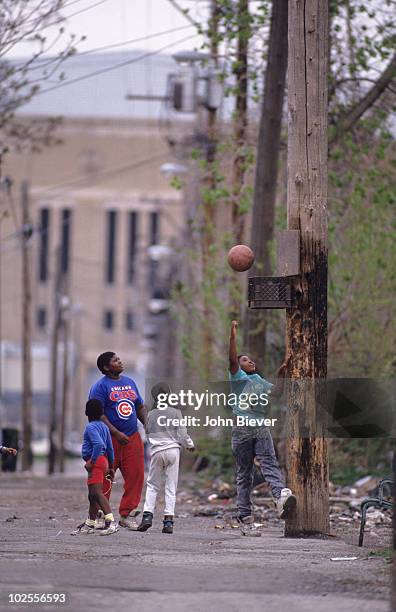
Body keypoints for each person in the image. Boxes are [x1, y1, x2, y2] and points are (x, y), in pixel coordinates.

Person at [228, 320, 296, 526]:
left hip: (259, 427)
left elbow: (276, 392)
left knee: (268, 464)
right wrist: (232, 335)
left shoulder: (258, 380)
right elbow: (231, 358)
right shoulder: (237, 377)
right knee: (245, 471)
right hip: (242, 428)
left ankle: (281, 497)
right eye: (245, 360)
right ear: (238, 366)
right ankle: (244, 512)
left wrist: (282, 372)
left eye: (250, 360)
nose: (250, 362)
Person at [89, 352, 147, 530]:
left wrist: (147, 424)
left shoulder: (129, 382)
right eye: (115, 360)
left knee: (136, 475)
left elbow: (139, 406)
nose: (119, 361)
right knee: (105, 475)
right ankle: (101, 515)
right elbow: (98, 413)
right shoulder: (100, 387)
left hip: (132, 437)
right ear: (106, 367)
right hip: (109, 439)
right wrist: (115, 432)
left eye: (118, 358)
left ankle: (126, 514)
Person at [138, 383, 195, 534]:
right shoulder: (175, 412)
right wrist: (189, 444)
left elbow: (147, 432)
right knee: (171, 487)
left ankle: (147, 517)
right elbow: (182, 434)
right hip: (173, 451)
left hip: (157, 451)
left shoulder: (151, 414)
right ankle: (168, 522)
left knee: (152, 485)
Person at [72, 399, 117, 536]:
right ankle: (90, 524)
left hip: (96, 463)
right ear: (102, 413)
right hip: (103, 462)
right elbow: (110, 448)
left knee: (97, 494)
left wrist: (92, 462)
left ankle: (111, 522)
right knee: (92, 495)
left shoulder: (91, 427)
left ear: (86, 412)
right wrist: (111, 466)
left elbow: (98, 445)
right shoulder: (104, 427)